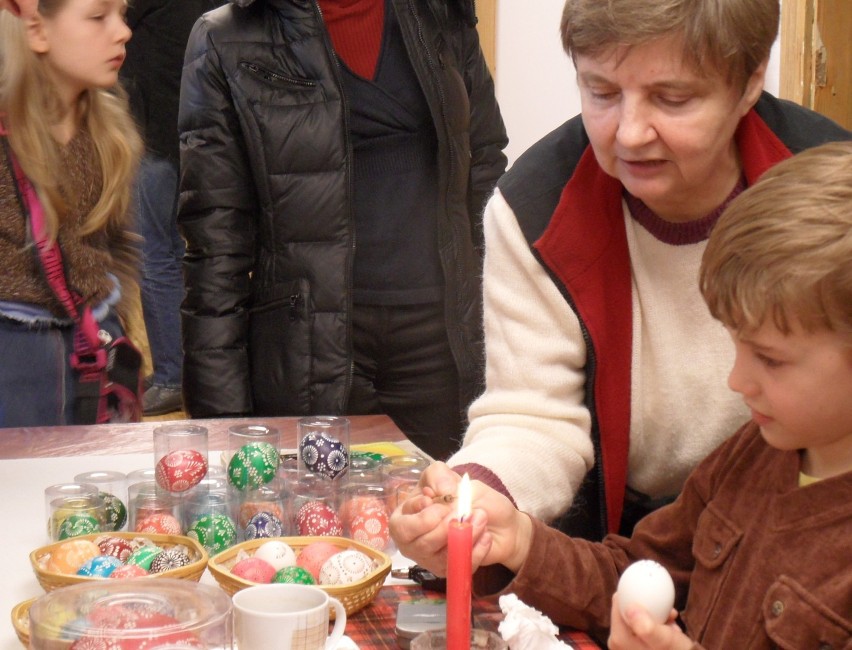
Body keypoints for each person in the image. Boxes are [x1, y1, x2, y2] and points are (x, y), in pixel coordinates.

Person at [406, 0, 851, 539]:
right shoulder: (535, 210)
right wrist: (477, 497)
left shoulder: (832, 191)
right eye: (602, 93)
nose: (631, 133)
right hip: (617, 547)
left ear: (750, 80)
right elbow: (532, 417)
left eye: (673, 98)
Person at [392, 141, 852, 649]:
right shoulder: (752, 455)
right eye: (735, 346)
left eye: (770, 358)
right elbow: (634, 571)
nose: (737, 381)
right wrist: (519, 540)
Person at [177, 0, 508, 460]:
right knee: (317, 526)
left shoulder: (439, 12)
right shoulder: (226, 38)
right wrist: (223, 426)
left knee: (441, 516)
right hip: (311, 350)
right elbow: (216, 244)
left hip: (441, 345)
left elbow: (485, 168)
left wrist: (504, 327)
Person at [0, 0, 142, 426]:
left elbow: (114, 247)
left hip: (95, 350)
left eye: (122, 14)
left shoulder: (109, 129)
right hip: (16, 360)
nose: (122, 32)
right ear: (37, 31)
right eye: (98, 17)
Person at [120, 0, 222, 417]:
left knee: (155, 253)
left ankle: (171, 376)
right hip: (203, 128)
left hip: (158, 130)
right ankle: (193, 373)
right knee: (193, 252)